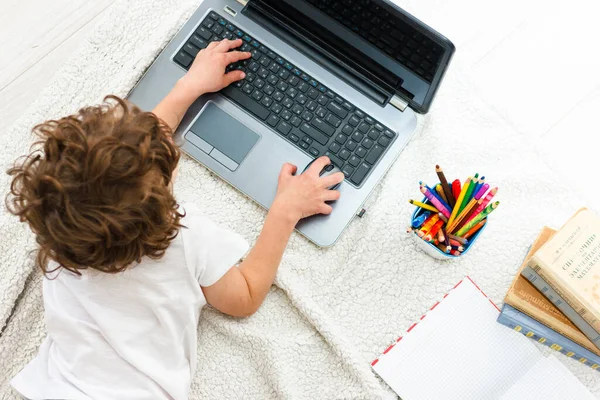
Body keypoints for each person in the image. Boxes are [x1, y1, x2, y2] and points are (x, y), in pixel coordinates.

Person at [7, 38, 344, 400]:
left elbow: (128, 162)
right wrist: (286, 211)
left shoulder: (61, 229)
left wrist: (189, 86)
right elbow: (244, 296)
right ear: (163, 205)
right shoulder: (184, 240)